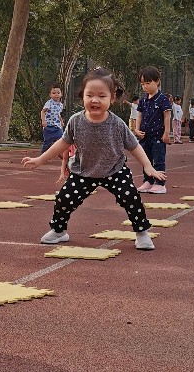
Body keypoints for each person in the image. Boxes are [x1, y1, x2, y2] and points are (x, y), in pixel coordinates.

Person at [23, 67, 160, 250]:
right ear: (83, 96)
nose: (95, 100)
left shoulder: (117, 124)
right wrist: (40, 159)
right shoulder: (76, 121)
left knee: (130, 197)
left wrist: (148, 166)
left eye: (102, 96)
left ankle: (142, 233)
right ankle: (59, 231)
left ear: (112, 98)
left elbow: (134, 146)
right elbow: (62, 143)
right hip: (83, 171)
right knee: (64, 199)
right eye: (90, 95)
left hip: (114, 170)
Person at [134, 67, 172, 194]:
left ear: (157, 81)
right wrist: (136, 129)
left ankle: (160, 183)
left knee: (158, 160)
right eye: (142, 84)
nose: (145, 86)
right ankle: (148, 181)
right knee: (146, 160)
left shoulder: (162, 99)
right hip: (145, 136)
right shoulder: (143, 100)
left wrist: (166, 132)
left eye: (148, 83)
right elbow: (139, 115)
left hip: (158, 136)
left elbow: (167, 116)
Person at [40, 84, 65, 154]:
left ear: (61, 94)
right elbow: (43, 111)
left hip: (57, 126)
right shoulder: (49, 103)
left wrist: (61, 121)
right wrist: (43, 121)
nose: (56, 95)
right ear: (50, 95)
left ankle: (61, 154)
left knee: (61, 139)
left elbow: (58, 114)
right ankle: (43, 154)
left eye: (58, 93)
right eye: (54, 93)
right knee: (48, 142)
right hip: (48, 126)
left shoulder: (61, 105)